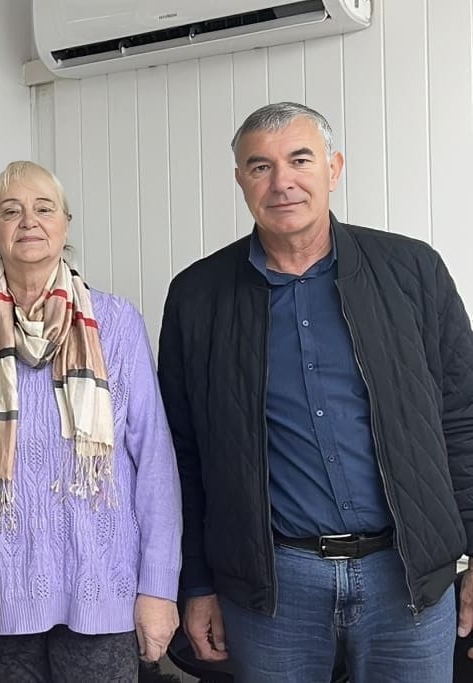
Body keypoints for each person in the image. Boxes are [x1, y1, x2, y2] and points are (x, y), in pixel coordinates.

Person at [158, 101, 473, 682]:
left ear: (334, 168)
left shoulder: (413, 271)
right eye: (260, 166)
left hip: (407, 579)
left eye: (300, 160)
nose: (282, 182)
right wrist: (196, 583)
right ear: (240, 180)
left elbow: (462, 419)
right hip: (272, 589)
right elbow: (183, 453)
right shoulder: (197, 297)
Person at [0, 160, 182, 682]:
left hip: (101, 589)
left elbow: (154, 464)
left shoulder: (117, 323)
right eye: (11, 211)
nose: (28, 221)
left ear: (65, 224)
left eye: (43, 208)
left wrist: (158, 588)